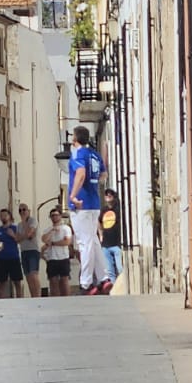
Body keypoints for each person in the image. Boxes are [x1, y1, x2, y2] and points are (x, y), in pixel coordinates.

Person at [67, 124, 112, 295]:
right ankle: (103, 277)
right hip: (94, 203)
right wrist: (93, 183)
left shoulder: (78, 153)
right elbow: (103, 175)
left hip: (82, 204)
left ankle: (86, 282)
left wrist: (73, 195)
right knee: (93, 240)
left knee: (84, 243)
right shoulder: (95, 154)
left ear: (75, 138)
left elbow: (80, 173)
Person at [41, 205, 73, 296]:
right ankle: (55, 300)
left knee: (64, 280)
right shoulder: (48, 229)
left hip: (63, 257)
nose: (54, 217)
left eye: (56, 215)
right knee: (53, 281)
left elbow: (67, 241)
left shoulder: (66, 228)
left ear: (60, 216)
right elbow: (44, 239)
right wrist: (52, 231)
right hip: (52, 258)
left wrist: (53, 243)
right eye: (52, 215)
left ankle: (67, 299)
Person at [0, 208, 24, 299]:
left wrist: (13, 235)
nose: (3, 217)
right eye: (1, 215)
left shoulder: (15, 228)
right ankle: (0, 300)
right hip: (2, 258)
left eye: (5, 215)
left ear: (9, 216)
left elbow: (20, 240)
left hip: (14, 258)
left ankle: (19, 299)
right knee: (2, 282)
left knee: (17, 281)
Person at [15, 202, 42, 297]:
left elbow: (29, 234)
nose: (22, 212)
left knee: (33, 274)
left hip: (33, 250)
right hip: (24, 251)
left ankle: (38, 296)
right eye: (20, 210)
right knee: (28, 276)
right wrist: (25, 236)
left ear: (28, 211)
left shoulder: (32, 221)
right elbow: (17, 239)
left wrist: (25, 233)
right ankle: (33, 296)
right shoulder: (19, 225)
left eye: (24, 209)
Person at [100, 188, 124, 288]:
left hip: (117, 243)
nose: (108, 196)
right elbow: (99, 222)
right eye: (106, 195)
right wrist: (101, 234)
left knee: (120, 268)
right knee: (109, 271)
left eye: (110, 195)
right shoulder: (103, 210)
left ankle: (122, 288)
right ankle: (114, 289)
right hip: (105, 244)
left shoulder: (118, 209)